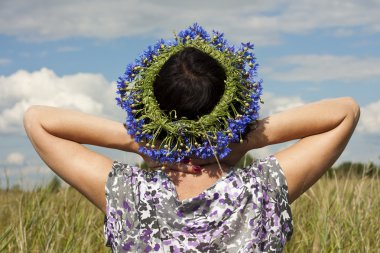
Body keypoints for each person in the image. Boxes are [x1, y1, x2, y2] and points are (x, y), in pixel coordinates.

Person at [23, 24, 360, 252]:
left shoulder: (127, 194)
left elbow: (38, 120)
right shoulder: (261, 189)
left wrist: (145, 142)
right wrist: (239, 140)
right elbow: (345, 111)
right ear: (233, 110)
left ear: (150, 107)